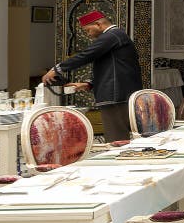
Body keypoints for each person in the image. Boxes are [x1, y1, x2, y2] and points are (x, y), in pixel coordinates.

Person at [41, 10, 142, 142]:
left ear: (98, 24)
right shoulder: (116, 36)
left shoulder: (112, 35)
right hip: (120, 95)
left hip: (116, 97)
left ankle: (118, 162)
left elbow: (87, 55)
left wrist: (57, 69)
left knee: (116, 140)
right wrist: (89, 84)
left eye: (88, 30)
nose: (88, 35)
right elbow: (114, 68)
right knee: (121, 138)